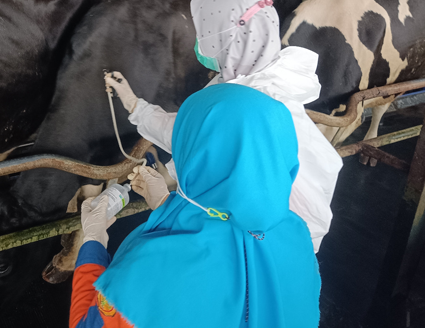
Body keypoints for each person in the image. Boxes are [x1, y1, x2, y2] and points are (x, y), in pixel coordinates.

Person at [105, 0, 342, 252]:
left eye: (205, 34)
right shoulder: (270, 80)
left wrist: (135, 108)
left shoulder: (238, 103)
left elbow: (189, 134)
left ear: (230, 38)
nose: (199, 43)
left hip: (255, 245)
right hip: (287, 238)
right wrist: (134, 103)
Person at [70, 85, 321, 328]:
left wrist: (93, 241)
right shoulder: (297, 233)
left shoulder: (154, 272)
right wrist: (166, 205)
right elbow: (225, 233)